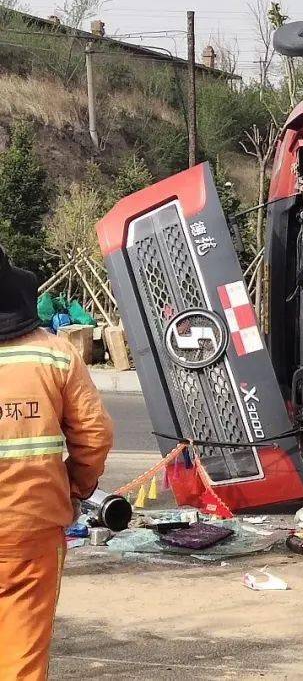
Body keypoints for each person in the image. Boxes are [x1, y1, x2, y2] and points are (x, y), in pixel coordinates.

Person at [0, 245, 113, 680]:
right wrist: (75, 488)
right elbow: (94, 435)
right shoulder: (53, 354)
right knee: (21, 655)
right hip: (30, 528)